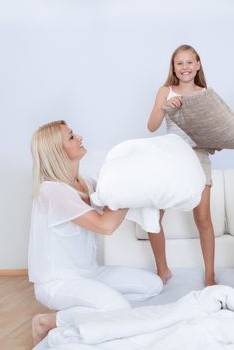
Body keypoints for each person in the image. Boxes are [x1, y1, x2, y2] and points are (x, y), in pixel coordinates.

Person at [29, 120, 163, 345]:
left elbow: (115, 199)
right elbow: (105, 226)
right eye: (71, 136)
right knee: (118, 308)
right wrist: (129, 191)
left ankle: (91, 308)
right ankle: (47, 321)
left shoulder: (85, 182)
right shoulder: (52, 191)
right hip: (59, 282)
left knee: (153, 286)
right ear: (56, 151)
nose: (80, 137)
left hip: (92, 273)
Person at [147, 44, 216, 286]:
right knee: (153, 215)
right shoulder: (166, 91)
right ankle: (162, 270)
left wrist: (216, 142)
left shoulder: (205, 92)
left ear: (198, 65)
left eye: (189, 62)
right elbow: (152, 125)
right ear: (173, 67)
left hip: (198, 156)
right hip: (172, 155)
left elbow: (211, 130)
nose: (185, 67)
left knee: (203, 218)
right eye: (180, 63)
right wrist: (164, 107)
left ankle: (210, 275)